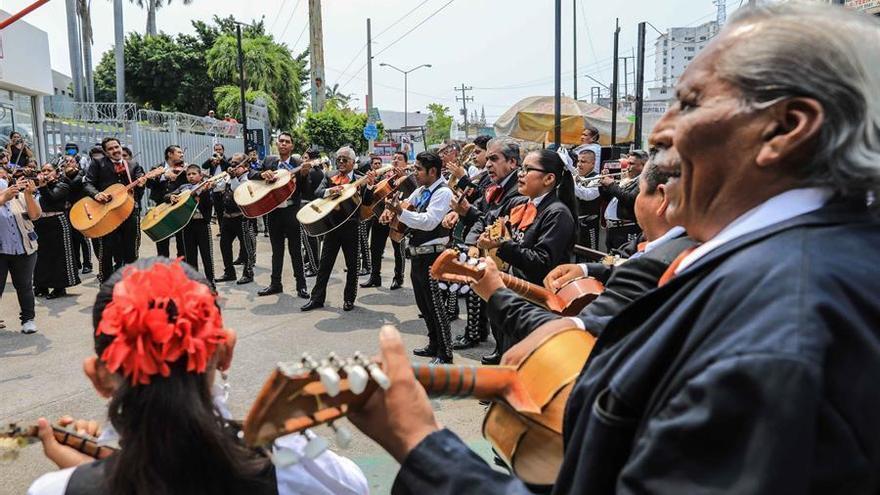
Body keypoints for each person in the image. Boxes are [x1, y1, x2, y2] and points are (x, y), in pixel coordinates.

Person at [346, 4, 880, 493]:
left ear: (786, 128)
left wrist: (419, 445)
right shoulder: (774, 266)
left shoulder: (785, 323)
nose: (661, 131)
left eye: (690, 103)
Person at [27, 258, 370, 495]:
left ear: (98, 376)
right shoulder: (295, 460)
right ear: (225, 352)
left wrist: (95, 471)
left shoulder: (55, 489)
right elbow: (356, 487)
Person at [485, 157, 693, 347]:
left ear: (662, 198)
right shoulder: (648, 240)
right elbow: (618, 262)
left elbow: (580, 329)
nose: (521, 174)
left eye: (638, 191)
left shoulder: (671, 260)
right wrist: (584, 269)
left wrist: (495, 294)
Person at [475, 149, 577, 353]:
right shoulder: (519, 202)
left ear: (548, 178)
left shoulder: (557, 214)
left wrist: (502, 245)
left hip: (536, 302)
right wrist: (472, 238)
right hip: (514, 293)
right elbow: (486, 219)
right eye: (522, 168)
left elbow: (541, 263)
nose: (520, 174)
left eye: (528, 169)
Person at [449, 138, 523, 360]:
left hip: (506, 258)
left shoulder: (516, 191)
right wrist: (471, 242)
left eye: (494, 158)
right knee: (491, 305)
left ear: (512, 163)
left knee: (503, 309)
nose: (488, 164)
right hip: (488, 252)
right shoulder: (494, 185)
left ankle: (504, 356)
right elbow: (483, 216)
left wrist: (467, 212)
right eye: (487, 158)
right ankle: (499, 350)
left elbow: (495, 223)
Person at [381, 151, 453, 363]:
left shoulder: (443, 192)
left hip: (434, 257)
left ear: (433, 171)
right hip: (418, 255)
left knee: (436, 307)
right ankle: (433, 344)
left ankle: (445, 353)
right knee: (424, 305)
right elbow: (404, 207)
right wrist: (391, 212)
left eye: (419, 169)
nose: (416, 173)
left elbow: (430, 221)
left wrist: (400, 213)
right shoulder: (421, 190)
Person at [301, 147, 375, 312]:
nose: (340, 162)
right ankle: (317, 298)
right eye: (338, 159)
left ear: (353, 162)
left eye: (344, 160)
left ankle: (349, 299)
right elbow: (317, 192)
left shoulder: (361, 179)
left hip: (351, 227)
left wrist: (369, 187)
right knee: (325, 265)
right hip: (331, 227)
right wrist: (330, 191)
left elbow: (368, 203)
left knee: (353, 265)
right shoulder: (329, 176)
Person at [251, 132, 312, 299]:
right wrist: (261, 175)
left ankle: (301, 285)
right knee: (276, 251)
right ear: (277, 144)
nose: (284, 144)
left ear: (292, 146)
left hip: (292, 211)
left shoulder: (299, 163)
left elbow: (307, 190)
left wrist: (305, 175)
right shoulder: (269, 161)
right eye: (281, 141)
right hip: (274, 211)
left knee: (295, 251)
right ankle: (275, 284)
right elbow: (250, 174)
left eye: (287, 142)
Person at [83, 137, 147, 282]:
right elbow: (88, 184)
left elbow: (139, 179)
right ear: (105, 152)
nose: (115, 150)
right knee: (107, 249)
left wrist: (142, 183)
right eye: (111, 149)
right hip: (107, 213)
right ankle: (105, 283)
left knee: (131, 249)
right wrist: (97, 194)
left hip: (129, 213)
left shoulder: (133, 164)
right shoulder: (98, 163)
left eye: (116, 147)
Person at [361, 151, 415, 290]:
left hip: (398, 218)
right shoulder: (384, 177)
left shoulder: (411, 176)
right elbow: (368, 200)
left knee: (398, 249)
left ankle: (398, 277)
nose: (396, 161)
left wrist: (404, 178)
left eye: (400, 159)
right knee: (375, 248)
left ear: (406, 163)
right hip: (380, 218)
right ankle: (375, 277)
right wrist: (370, 183)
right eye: (394, 158)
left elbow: (415, 193)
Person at [0, 174, 41, 334]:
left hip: (24, 250)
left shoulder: (21, 197)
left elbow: (35, 215)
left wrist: (29, 195)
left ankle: (28, 320)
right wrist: (3, 199)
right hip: (2, 252)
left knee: (24, 286)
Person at [33, 164, 81, 299]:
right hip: (40, 223)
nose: (46, 173)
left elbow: (51, 198)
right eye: (43, 170)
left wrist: (43, 186)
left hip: (57, 223)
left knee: (59, 256)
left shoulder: (62, 186)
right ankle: (41, 285)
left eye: (49, 170)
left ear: (57, 173)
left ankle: (59, 287)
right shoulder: (37, 187)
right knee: (41, 256)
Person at [167, 165, 216, 287]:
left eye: (194, 174)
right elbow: (167, 195)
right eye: (188, 174)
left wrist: (205, 191)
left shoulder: (205, 186)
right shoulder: (183, 187)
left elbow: (209, 204)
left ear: (200, 175)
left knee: (207, 255)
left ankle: (210, 282)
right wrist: (170, 197)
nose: (191, 176)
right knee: (190, 256)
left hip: (202, 225)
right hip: (187, 225)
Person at [216, 153, 255, 285]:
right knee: (224, 244)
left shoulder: (247, 179)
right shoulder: (229, 177)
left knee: (246, 247)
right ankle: (229, 272)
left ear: (245, 167)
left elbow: (238, 191)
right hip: (227, 217)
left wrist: (232, 177)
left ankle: (248, 273)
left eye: (236, 164)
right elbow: (219, 187)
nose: (232, 166)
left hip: (242, 218)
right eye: (231, 163)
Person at [599, 150, 646, 251]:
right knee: (610, 261)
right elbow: (607, 198)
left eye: (631, 163)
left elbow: (630, 199)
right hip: (612, 228)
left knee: (624, 260)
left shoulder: (643, 181)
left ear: (643, 166)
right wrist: (604, 184)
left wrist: (611, 185)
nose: (627, 166)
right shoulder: (625, 180)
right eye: (628, 163)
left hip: (627, 229)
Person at [146, 145, 186, 259]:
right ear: (170, 154)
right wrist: (163, 176)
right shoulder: (157, 168)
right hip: (161, 207)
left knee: (182, 240)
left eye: (182, 153)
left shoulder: (184, 168)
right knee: (162, 239)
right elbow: (148, 184)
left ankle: (181, 266)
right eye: (179, 152)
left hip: (179, 207)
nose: (182, 155)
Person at [61, 156, 93, 275]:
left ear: (77, 164)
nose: (69, 163)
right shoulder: (62, 176)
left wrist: (64, 176)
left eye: (71, 161)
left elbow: (74, 185)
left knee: (83, 238)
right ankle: (76, 263)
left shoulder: (81, 173)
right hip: (68, 210)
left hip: (81, 209)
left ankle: (87, 264)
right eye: (66, 162)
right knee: (72, 238)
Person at [572, 148, 601, 250]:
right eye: (578, 161)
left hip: (589, 224)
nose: (579, 165)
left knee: (591, 253)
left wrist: (571, 182)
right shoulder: (575, 176)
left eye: (583, 162)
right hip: (575, 223)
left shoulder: (597, 178)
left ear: (593, 164)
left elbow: (587, 195)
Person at [202, 143, 230, 227]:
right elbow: (204, 166)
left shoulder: (226, 160)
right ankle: (222, 229)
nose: (217, 151)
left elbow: (229, 166)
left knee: (227, 210)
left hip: (225, 189)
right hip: (214, 188)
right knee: (218, 211)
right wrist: (210, 159)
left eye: (219, 149)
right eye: (216, 150)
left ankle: (227, 229)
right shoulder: (212, 161)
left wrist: (220, 159)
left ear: (223, 150)